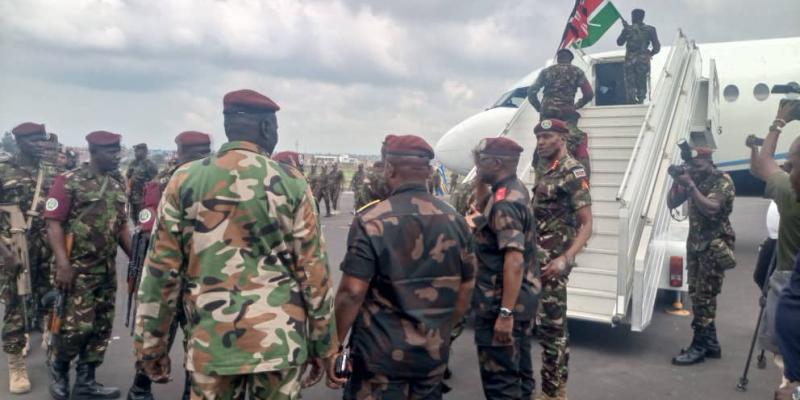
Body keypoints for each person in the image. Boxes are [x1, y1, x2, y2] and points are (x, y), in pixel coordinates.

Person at [133, 89, 336, 400]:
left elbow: (161, 271)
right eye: (276, 128)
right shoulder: (292, 182)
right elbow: (313, 272)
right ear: (267, 128)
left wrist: (151, 345)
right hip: (278, 345)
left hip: (211, 344)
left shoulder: (184, 179)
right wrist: (324, 344)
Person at [327, 134, 476, 399]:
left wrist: (335, 345)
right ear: (429, 172)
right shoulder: (457, 221)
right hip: (431, 356)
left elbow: (351, 292)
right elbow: (466, 287)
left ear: (389, 169)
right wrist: (442, 330)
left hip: (379, 358)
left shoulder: (371, 220)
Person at [44, 130, 132, 400]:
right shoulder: (69, 181)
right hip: (75, 270)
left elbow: (121, 228)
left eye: (118, 151)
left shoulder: (116, 185)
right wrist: (62, 264)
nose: (117, 156)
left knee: (100, 327)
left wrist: (137, 261)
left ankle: (86, 380)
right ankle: (59, 372)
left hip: (104, 270)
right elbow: (53, 223)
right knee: (73, 328)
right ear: (94, 152)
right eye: (111, 152)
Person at [126, 131, 212, 400]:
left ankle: (148, 388)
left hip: (181, 273)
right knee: (175, 333)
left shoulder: (171, 180)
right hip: (184, 273)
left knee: (164, 331)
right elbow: (147, 227)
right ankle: (143, 386)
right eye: (198, 152)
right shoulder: (169, 182)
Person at [468, 136, 539, 399]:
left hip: (501, 304)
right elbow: (483, 210)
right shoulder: (510, 189)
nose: (478, 167)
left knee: (501, 384)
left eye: (482, 162)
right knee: (520, 374)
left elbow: (514, 259)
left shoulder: (505, 202)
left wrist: (505, 314)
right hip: (518, 301)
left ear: (496, 163)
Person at [532, 119, 593, 400]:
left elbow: (587, 224)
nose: (541, 142)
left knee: (553, 331)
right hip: (536, 260)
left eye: (547, 136)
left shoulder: (572, 171)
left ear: (562, 138)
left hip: (552, 265)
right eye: (539, 137)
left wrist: (565, 259)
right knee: (544, 329)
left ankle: (554, 392)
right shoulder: (546, 169)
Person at [0, 122, 58, 394]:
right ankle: (16, 364)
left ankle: (51, 340)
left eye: (41, 139)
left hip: (46, 248)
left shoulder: (51, 171)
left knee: (50, 297)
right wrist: (4, 251)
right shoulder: (3, 170)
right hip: (14, 248)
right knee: (14, 304)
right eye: (32, 139)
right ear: (18, 141)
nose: (39, 143)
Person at [668, 145, 736, 366]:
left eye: (697, 166)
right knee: (698, 294)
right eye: (690, 166)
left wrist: (690, 185)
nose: (693, 170)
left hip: (714, 246)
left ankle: (699, 346)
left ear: (709, 162)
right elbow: (672, 203)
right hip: (697, 246)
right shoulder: (693, 179)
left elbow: (711, 208)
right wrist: (679, 181)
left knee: (704, 298)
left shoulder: (722, 181)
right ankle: (712, 344)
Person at [750, 100, 800, 387]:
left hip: (789, 290)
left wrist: (779, 122)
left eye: (792, 165)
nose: (788, 172)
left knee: (789, 376)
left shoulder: (790, 194)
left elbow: (764, 164)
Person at [527, 49, 594, 176]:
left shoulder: (546, 72)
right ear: (570, 59)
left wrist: (539, 108)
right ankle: (582, 174)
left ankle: (538, 167)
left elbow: (531, 92)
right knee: (577, 139)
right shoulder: (577, 71)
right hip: (566, 113)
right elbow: (589, 94)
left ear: (558, 58)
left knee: (543, 139)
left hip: (547, 114)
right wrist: (577, 105)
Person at [617, 8, 660, 104]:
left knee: (630, 82)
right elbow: (657, 47)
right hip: (643, 60)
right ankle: (641, 100)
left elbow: (619, 42)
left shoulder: (628, 29)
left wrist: (625, 31)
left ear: (633, 17)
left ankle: (631, 101)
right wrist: (650, 54)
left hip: (630, 60)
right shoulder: (650, 29)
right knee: (641, 80)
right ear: (643, 17)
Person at [125, 143, 158, 224]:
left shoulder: (150, 164)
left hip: (144, 198)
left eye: (138, 151)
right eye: (135, 151)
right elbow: (128, 176)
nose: (136, 153)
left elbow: (155, 180)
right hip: (133, 197)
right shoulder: (133, 163)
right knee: (133, 217)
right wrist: (128, 188)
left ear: (145, 151)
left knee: (144, 218)